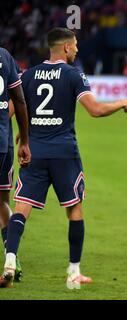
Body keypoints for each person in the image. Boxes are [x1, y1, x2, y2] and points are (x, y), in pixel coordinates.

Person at [0, 27, 127, 289]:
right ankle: (73, 274)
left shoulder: (28, 75)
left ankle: (10, 261)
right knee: (74, 210)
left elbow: (10, 113)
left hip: (34, 152)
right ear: (66, 48)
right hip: (64, 153)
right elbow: (94, 110)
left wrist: (23, 137)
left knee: (22, 208)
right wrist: (121, 103)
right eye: (75, 46)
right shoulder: (73, 74)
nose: (78, 50)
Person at [0, 48, 31, 283]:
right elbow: (18, 98)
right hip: (4, 142)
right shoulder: (4, 56)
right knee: (1, 201)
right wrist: (25, 139)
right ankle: (11, 259)